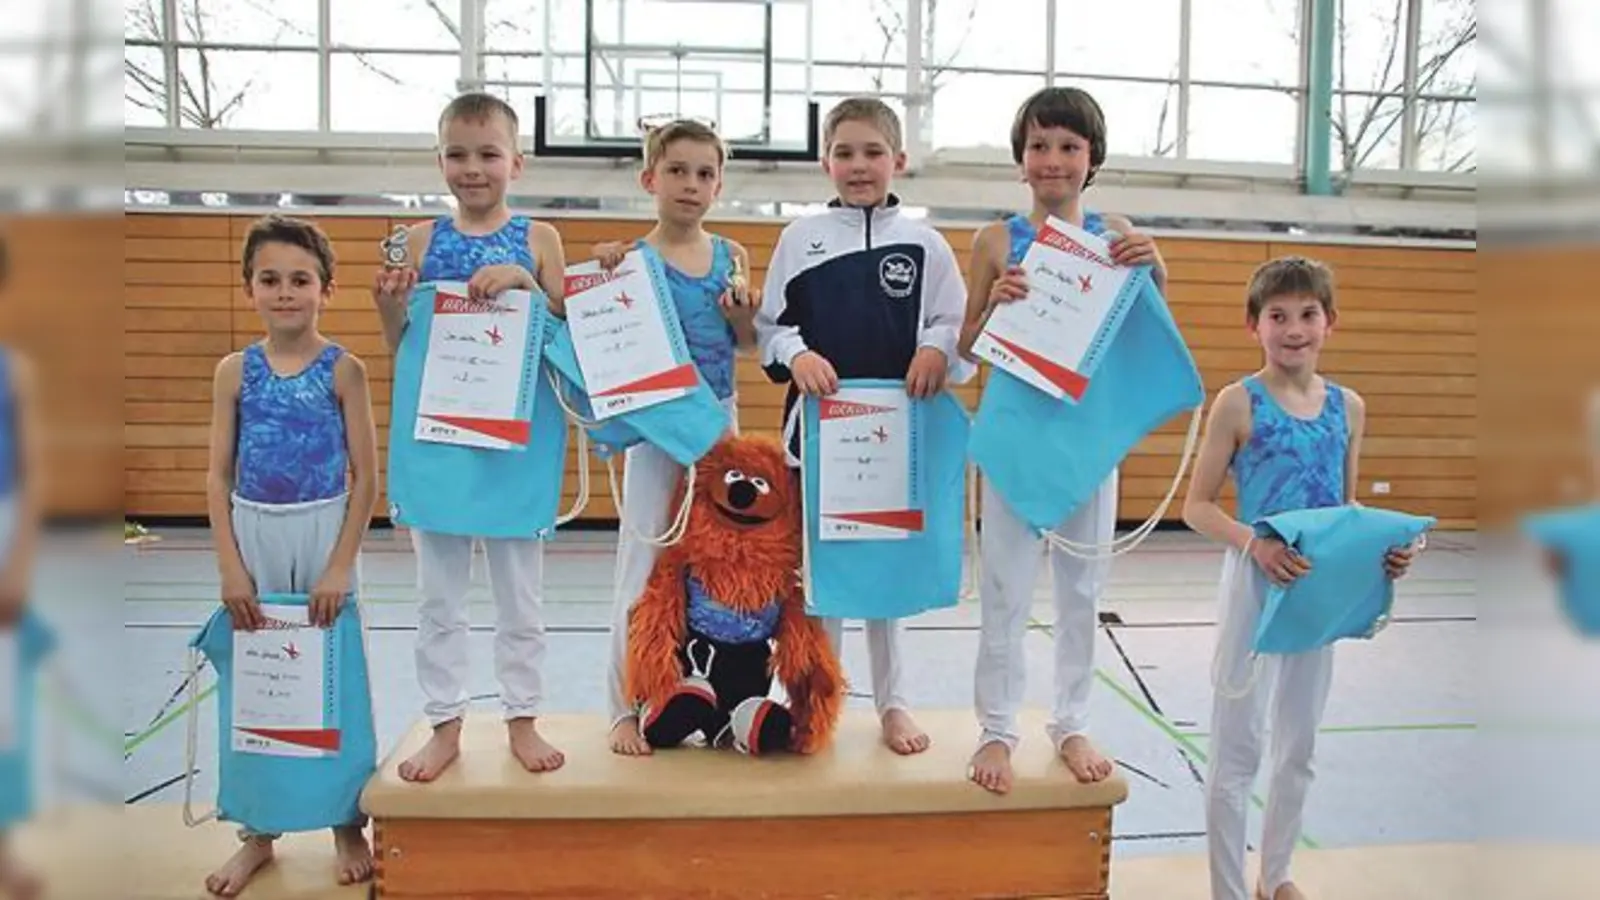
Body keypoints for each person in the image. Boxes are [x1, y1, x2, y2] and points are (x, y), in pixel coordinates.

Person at [1181, 255, 1415, 900]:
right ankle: (1226, 889)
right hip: (1256, 584)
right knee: (1236, 752)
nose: (1293, 329)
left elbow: (1345, 509)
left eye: (1307, 315)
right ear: (1253, 325)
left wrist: (1385, 554)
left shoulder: (1349, 407)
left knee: (1298, 746)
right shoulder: (1237, 401)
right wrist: (1252, 545)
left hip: (1317, 586)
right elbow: (1196, 507)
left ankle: (1275, 875)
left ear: (1329, 322)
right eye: (1277, 316)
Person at [956, 86, 1167, 794]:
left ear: (1092, 159)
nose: (1053, 160)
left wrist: (1155, 263)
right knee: (1004, 589)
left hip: (1087, 440)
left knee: (1083, 589)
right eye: (1039, 146)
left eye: (1068, 147)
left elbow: (1149, 332)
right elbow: (965, 351)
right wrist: (994, 304)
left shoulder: (1118, 234)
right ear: (1020, 160)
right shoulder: (994, 238)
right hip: (1016, 437)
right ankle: (997, 728)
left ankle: (1071, 720)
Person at [755, 97, 971, 755]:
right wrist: (800, 356)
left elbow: (952, 323)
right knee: (823, 581)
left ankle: (894, 706)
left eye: (872, 152)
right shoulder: (801, 239)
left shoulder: (927, 244)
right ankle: (815, 699)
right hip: (823, 439)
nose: (858, 165)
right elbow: (772, 328)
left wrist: (937, 348)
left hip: (898, 437)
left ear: (898, 160)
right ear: (826, 162)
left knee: (889, 576)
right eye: (844, 153)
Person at [370, 92, 569, 781]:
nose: (473, 168)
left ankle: (522, 717)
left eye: (488, 154)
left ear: (517, 160)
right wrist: (389, 302)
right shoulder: (420, 241)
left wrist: (524, 282)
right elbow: (401, 344)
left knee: (522, 596)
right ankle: (445, 723)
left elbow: (565, 338)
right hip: (442, 442)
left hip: (514, 444)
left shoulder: (540, 238)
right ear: (440, 161)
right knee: (437, 598)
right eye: (458, 154)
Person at [203, 215, 379, 896]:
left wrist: (339, 563)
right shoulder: (233, 372)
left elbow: (365, 478)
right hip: (255, 530)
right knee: (260, 682)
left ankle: (344, 819)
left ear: (325, 290)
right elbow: (218, 474)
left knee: (331, 677)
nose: (285, 292)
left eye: (300, 280)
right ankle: (257, 829)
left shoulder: (345, 370)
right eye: (270, 279)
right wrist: (229, 563)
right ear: (249, 288)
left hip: (323, 528)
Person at [584, 119, 760, 756]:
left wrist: (744, 320)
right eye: (677, 171)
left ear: (719, 183)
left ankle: (720, 696)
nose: (691, 184)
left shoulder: (731, 256)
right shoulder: (630, 258)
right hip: (658, 426)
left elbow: (748, 347)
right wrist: (605, 274)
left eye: (705, 173)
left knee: (719, 567)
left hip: (718, 422)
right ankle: (622, 708)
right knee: (643, 565)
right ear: (649, 178)